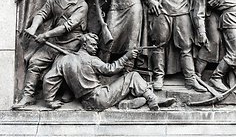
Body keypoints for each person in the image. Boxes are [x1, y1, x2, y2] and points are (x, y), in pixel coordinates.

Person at [42, 33, 176, 111]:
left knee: (115, 84)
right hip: (100, 98)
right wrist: (127, 56)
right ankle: (153, 100)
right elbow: (110, 69)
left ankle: (125, 104)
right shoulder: (92, 60)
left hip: (86, 103)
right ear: (84, 45)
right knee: (132, 76)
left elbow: (49, 79)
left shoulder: (64, 60)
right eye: (93, 45)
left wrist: (49, 101)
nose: (95, 48)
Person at [12, 0, 88, 109]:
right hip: (54, 42)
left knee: (61, 68)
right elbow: (42, 13)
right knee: (35, 61)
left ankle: (68, 90)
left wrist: (46, 35)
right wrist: (34, 27)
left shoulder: (82, 5)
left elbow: (68, 26)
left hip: (72, 43)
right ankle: (28, 95)